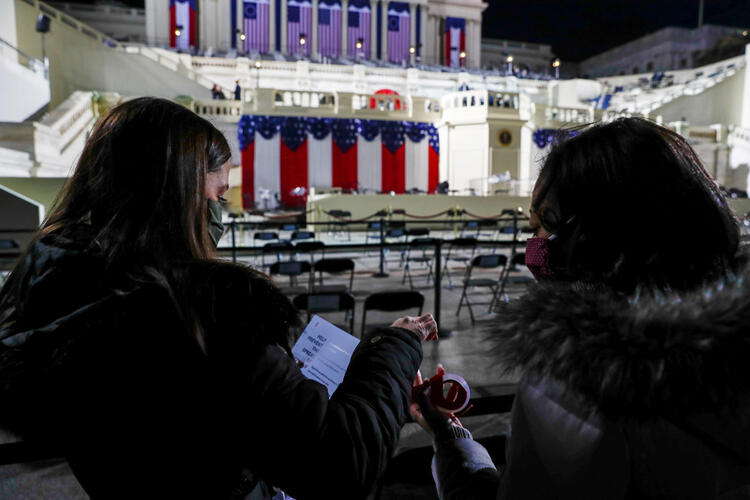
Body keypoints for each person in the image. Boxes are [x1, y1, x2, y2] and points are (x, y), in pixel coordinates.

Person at [0, 97, 437, 499]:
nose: (220, 214)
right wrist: (393, 349)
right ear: (176, 196)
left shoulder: (53, 290)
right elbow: (341, 463)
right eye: (219, 196)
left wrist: (270, 376)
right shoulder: (204, 313)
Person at [412, 117, 750, 499]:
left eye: (542, 226)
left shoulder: (576, 386)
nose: (533, 243)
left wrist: (452, 443)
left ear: (596, 238)